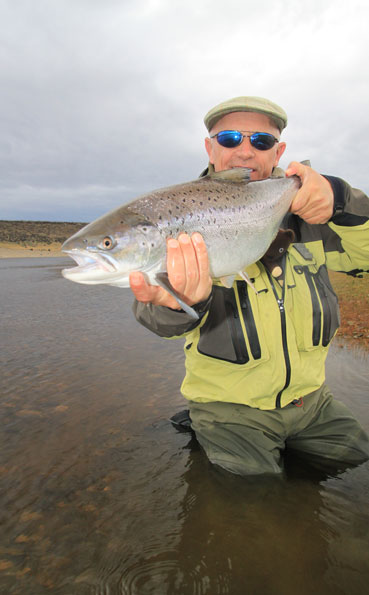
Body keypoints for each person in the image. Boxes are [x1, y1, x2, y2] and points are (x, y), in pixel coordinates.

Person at [129, 96, 369, 476]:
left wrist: (341, 198)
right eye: (228, 139)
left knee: (357, 469)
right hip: (230, 412)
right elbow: (156, 316)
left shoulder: (310, 214)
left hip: (314, 404)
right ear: (210, 147)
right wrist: (176, 304)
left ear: (279, 151)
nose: (244, 151)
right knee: (249, 505)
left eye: (260, 141)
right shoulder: (180, 217)